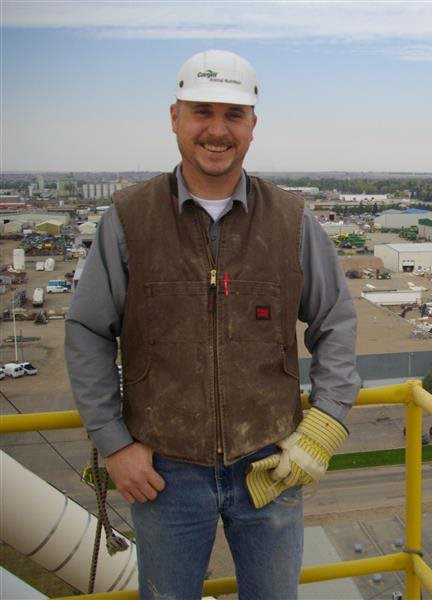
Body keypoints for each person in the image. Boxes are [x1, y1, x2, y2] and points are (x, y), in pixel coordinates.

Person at [65, 49, 360, 600]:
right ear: (175, 118)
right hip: (163, 476)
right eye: (202, 112)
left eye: (234, 115)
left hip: (271, 467)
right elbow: (87, 332)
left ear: (253, 127)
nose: (217, 131)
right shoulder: (129, 219)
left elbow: (336, 322)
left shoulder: (292, 221)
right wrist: (114, 443)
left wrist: (324, 426)